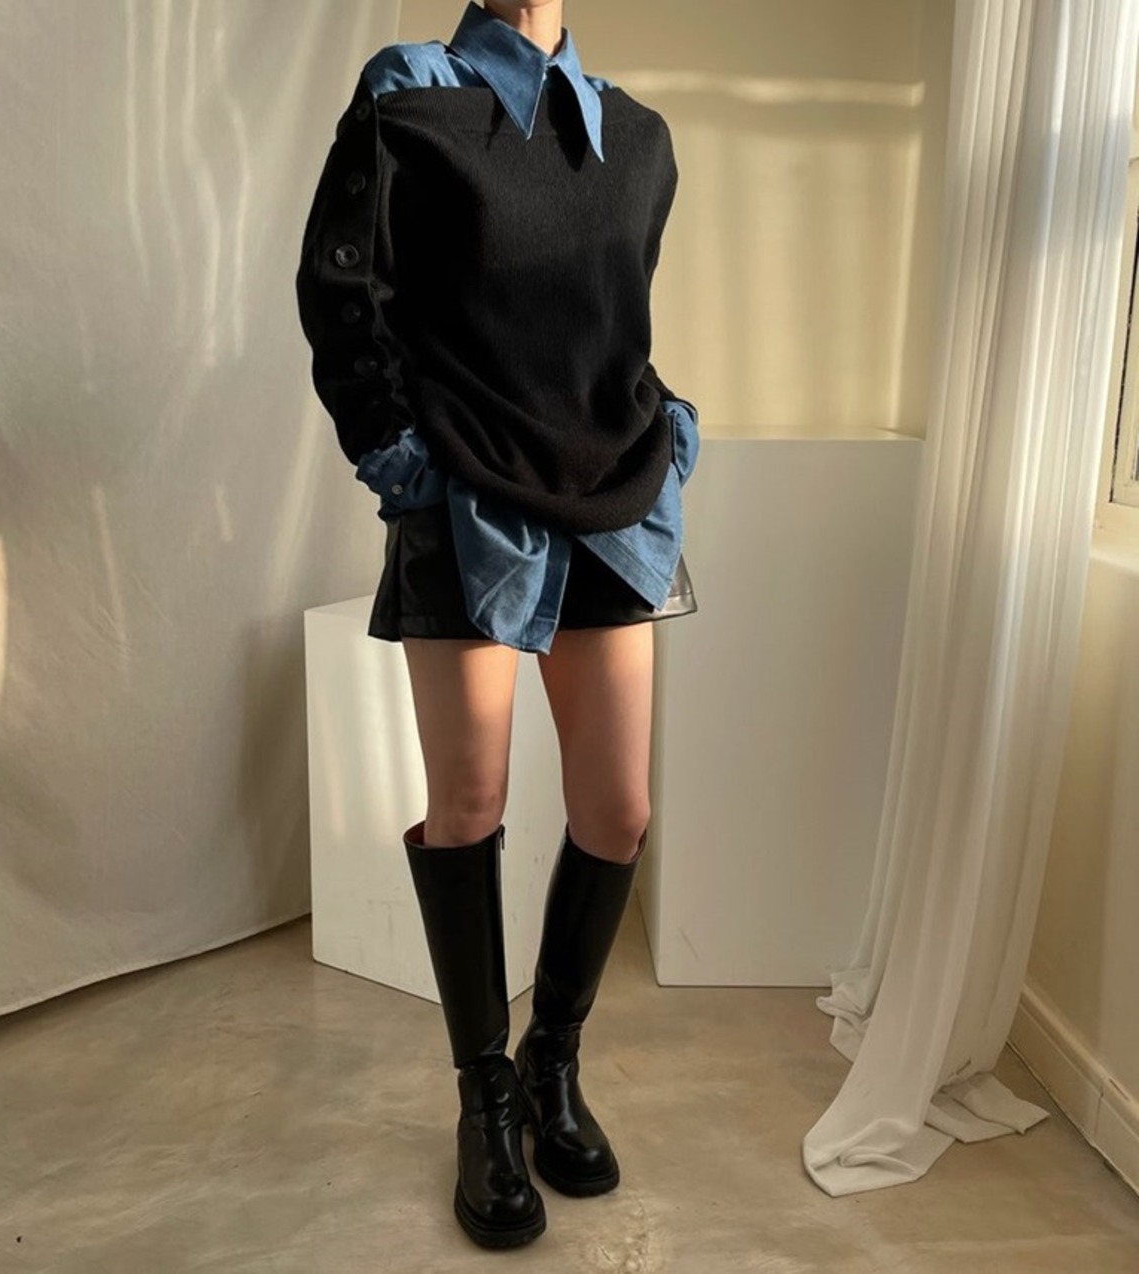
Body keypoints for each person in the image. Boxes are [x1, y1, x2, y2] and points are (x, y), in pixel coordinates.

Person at [295, 0, 700, 1250]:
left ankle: (549, 1062)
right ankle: (482, 1099)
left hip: (607, 500)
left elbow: (609, 320)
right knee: (468, 801)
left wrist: (660, 429)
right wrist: (405, 466)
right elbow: (340, 295)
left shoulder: (638, 137)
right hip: (467, 500)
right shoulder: (405, 92)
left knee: (616, 808)